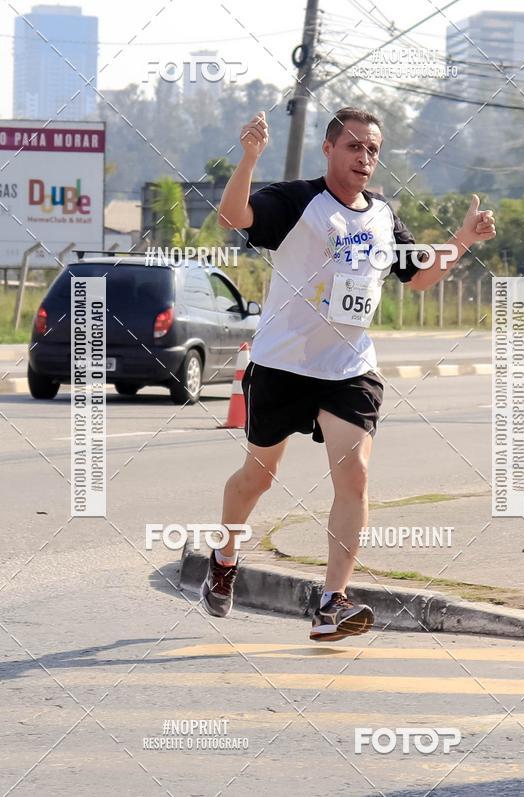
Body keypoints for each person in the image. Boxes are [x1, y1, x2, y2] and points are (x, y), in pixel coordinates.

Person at [202, 106, 496, 641]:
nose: (364, 158)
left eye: (372, 150)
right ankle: (224, 556)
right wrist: (248, 158)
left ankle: (331, 601)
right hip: (282, 364)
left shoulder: (383, 214)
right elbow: (232, 216)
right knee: (258, 478)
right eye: (354, 146)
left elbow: (420, 277)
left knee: (355, 477)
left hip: (349, 368)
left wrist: (462, 240)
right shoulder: (296, 200)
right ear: (330, 149)